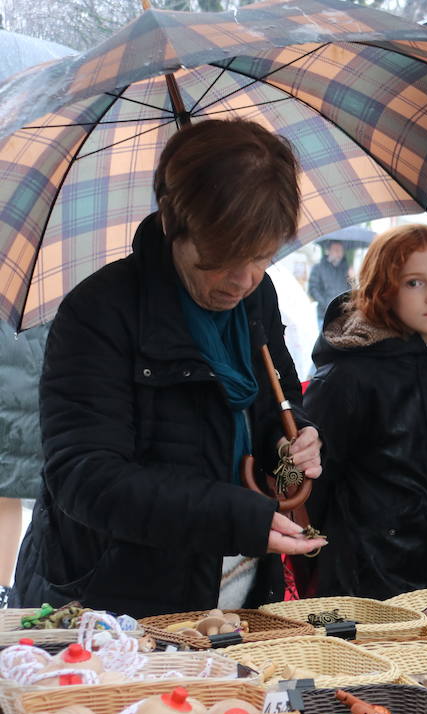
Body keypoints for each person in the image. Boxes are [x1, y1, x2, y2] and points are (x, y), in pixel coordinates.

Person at [15, 119, 326, 616]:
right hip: (114, 601)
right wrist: (237, 517)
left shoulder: (257, 298)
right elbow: (86, 478)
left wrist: (294, 441)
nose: (242, 280)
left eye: (262, 256)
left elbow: (276, 407)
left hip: (236, 595)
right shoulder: (100, 311)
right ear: (171, 220)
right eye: (221, 257)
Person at [303, 224, 427, 599]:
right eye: (414, 283)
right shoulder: (347, 377)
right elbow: (312, 489)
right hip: (366, 583)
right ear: (383, 288)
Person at [0, 325, 47, 608]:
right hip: (25, 395)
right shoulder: (41, 299)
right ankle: (2, 589)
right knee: (7, 489)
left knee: (6, 490)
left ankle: (3, 588)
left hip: (17, 396)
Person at [309, 240, 352, 327]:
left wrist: (352, 279)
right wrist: (327, 305)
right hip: (324, 315)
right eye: (336, 250)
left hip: (342, 317)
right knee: (324, 340)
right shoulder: (318, 268)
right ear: (328, 251)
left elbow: (352, 292)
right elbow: (313, 289)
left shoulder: (347, 269)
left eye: (341, 250)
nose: (339, 253)